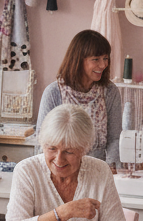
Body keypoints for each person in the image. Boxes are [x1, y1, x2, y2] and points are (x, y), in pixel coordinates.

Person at [6, 104, 131, 221]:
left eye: (69, 151)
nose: (59, 160)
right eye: (52, 148)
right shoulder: (27, 171)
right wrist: (64, 212)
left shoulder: (100, 172)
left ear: (84, 149)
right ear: (43, 145)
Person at [35, 29, 121, 166]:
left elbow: (114, 138)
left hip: (97, 168)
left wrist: (111, 167)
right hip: (62, 167)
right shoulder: (53, 93)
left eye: (105, 58)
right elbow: (42, 141)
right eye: (96, 59)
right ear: (78, 60)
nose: (103, 65)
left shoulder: (110, 92)